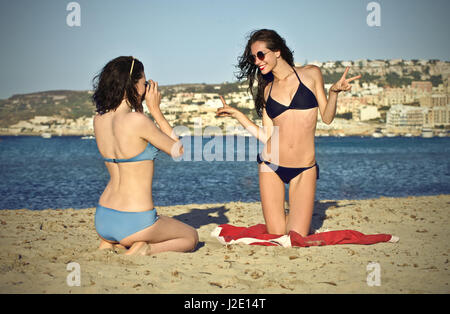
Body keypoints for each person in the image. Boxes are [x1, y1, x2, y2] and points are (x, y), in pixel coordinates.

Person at [217, 29, 360, 237]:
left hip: (304, 168)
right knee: (276, 235)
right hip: (271, 165)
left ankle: (295, 219)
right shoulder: (267, 90)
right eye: (253, 57)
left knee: (296, 237)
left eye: (260, 55)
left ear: (277, 52)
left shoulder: (311, 74)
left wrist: (333, 93)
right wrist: (238, 115)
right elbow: (267, 136)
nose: (257, 61)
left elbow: (327, 118)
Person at [92, 56, 198, 255]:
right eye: (144, 83)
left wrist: (140, 108)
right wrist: (156, 110)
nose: (147, 88)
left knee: (125, 236)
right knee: (190, 236)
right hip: (135, 219)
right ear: (132, 84)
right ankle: (144, 250)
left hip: (103, 217)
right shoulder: (138, 120)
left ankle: (113, 243)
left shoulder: (99, 119)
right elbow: (178, 151)